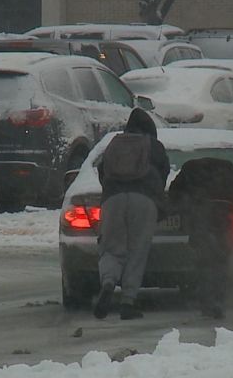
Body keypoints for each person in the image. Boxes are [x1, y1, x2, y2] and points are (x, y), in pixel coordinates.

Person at [94, 107, 170, 320]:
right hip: (144, 201)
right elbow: (163, 173)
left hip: (113, 199)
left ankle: (108, 282)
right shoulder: (154, 146)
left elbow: (102, 171)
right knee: (137, 250)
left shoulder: (115, 144)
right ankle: (128, 301)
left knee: (111, 247)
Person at [168, 157, 233, 319]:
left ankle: (207, 300)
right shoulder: (227, 166)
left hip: (201, 215)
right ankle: (219, 298)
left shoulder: (190, 169)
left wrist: (181, 208)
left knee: (205, 259)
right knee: (221, 259)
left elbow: (175, 192)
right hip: (225, 214)